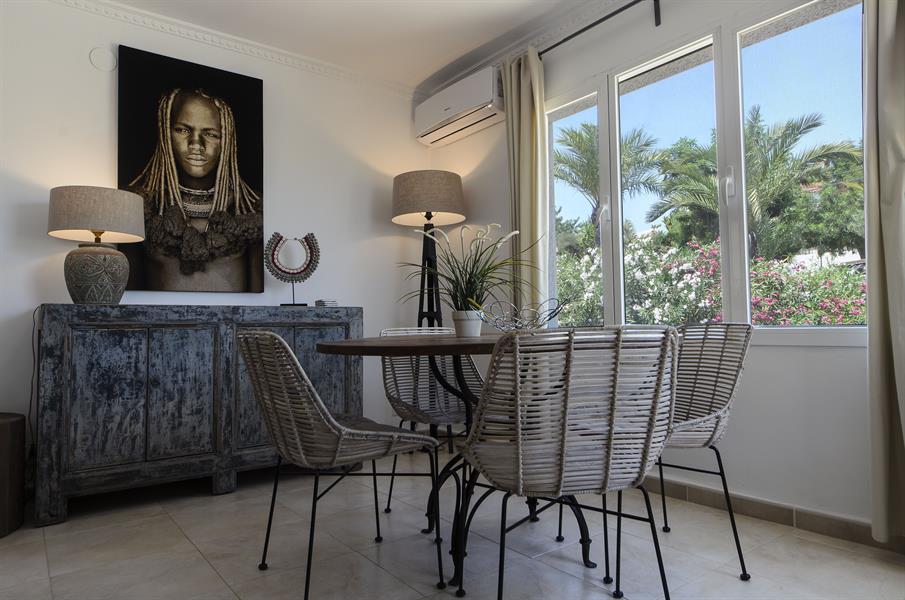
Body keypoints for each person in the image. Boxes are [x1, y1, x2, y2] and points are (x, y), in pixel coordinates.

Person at [127, 88, 263, 292]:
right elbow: (128, 295)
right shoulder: (141, 207)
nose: (196, 144)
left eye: (211, 134)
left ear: (226, 141)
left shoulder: (248, 210)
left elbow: (260, 296)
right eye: (183, 130)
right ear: (165, 134)